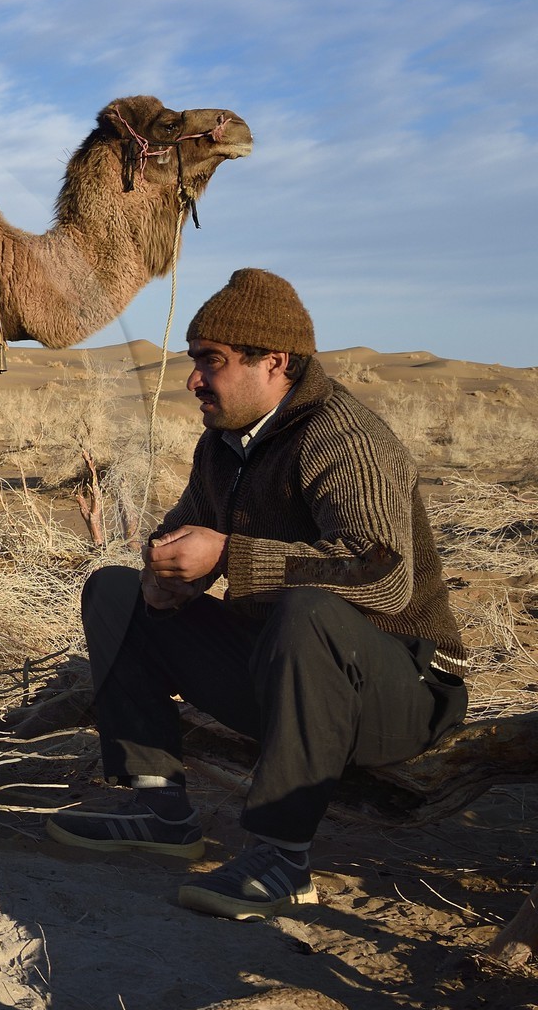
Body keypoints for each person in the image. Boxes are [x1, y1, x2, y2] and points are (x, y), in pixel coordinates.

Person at [46, 268, 468, 920]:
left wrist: (228, 556)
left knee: (311, 606)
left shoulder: (341, 438)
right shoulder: (220, 445)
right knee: (115, 593)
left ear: (275, 364)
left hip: (404, 689)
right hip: (284, 675)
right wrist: (165, 580)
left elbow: (382, 577)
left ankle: (281, 857)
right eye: (193, 362)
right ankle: (160, 808)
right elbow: (183, 531)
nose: (193, 380)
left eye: (210, 363)